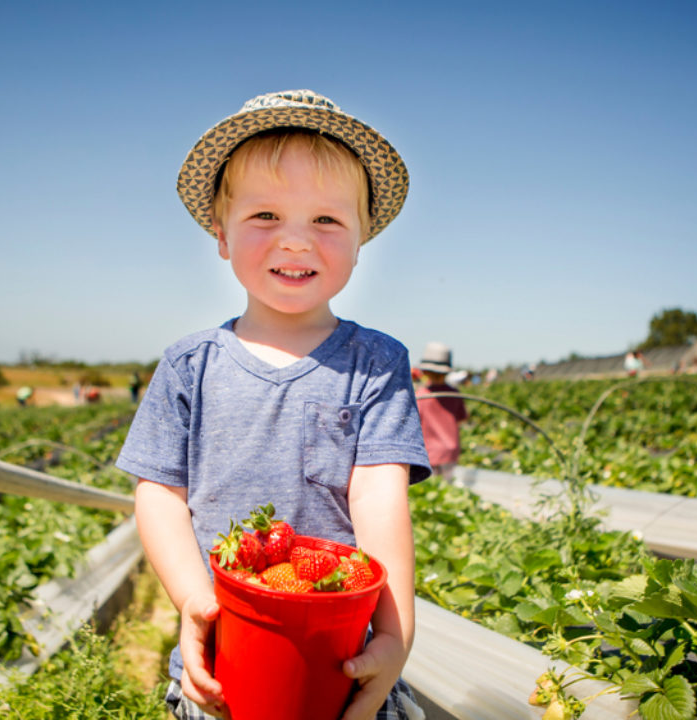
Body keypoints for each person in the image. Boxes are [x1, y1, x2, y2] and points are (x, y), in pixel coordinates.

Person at [115, 90, 429, 720]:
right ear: (221, 235)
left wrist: (395, 638)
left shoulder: (376, 361)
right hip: (224, 660)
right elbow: (160, 494)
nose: (294, 242)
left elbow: (377, 497)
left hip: (339, 661)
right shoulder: (190, 364)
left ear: (363, 237)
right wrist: (194, 601)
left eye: (326, 220)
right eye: (264, 216)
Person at [414, 342, 469, 477]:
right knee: (447, 487)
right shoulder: (454, 394)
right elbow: (462, 418)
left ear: (425, 371)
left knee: (431, 489)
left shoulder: (421, 395)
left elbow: (414, 425)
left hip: (429, 452)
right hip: (450, 450)